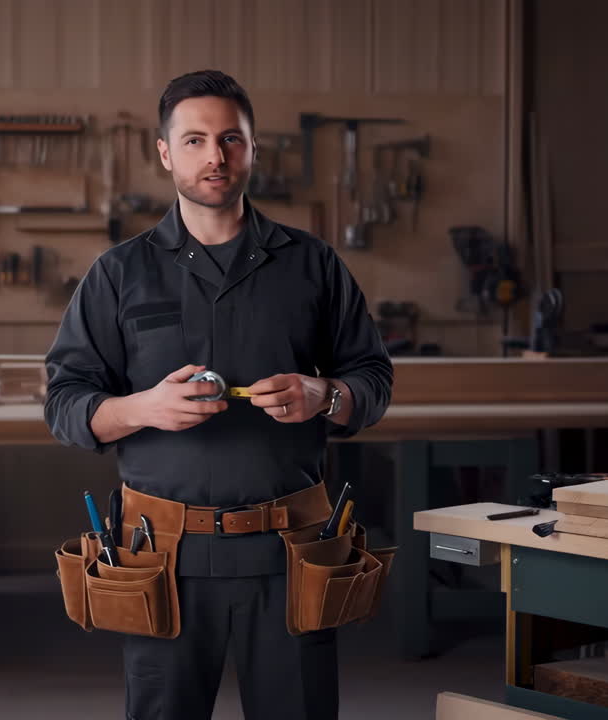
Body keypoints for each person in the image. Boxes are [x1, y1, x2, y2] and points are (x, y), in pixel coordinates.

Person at [44, 69, 393, 720]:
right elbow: (64, 405)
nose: (215, 156)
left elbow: (372, 380)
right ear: (165, 152)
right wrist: (141, 408)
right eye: (197, 139)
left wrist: (324, 394)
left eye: (231, 139)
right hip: (160, 556)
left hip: (292, 553)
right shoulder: (119, 274)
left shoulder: (311, 264)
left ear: (254, 149)